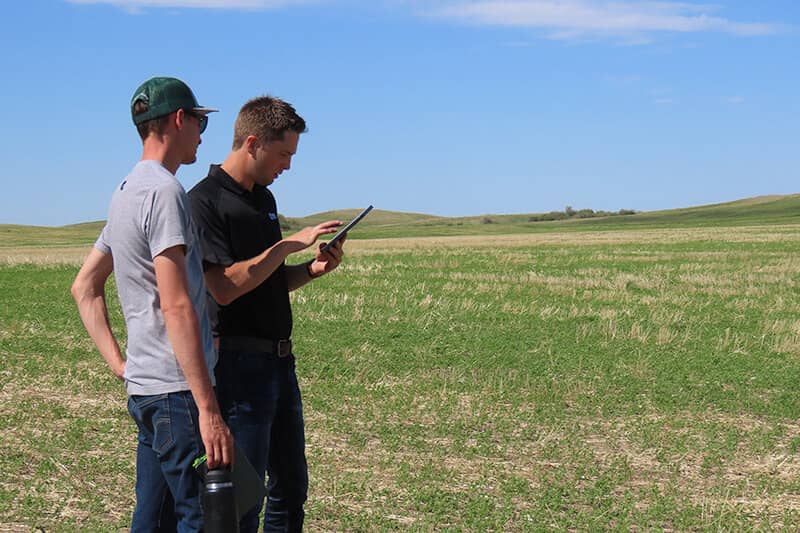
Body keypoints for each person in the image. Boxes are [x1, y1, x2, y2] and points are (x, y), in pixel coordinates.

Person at [71, 76, 234, 532]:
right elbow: (176, 304)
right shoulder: (164, 193)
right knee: (203, 519)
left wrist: (122, 365)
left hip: (145, 391)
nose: (203, 133)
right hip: (177, 394)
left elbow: (84, 286)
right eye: (200, 121)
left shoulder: (124, 193)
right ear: (178, 120)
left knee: (152, 520)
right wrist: (208, 409)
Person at [189, 95, 345, 532]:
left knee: (291, 488)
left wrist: (311, 269)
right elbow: (222, 288)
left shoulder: (265, 199)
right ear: (253, 142)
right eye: (283, 154)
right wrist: (286, 245)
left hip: (280, 362)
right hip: (239, 367)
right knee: (243, 498)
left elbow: (267, 281)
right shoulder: (204, 202)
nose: (288, 166)